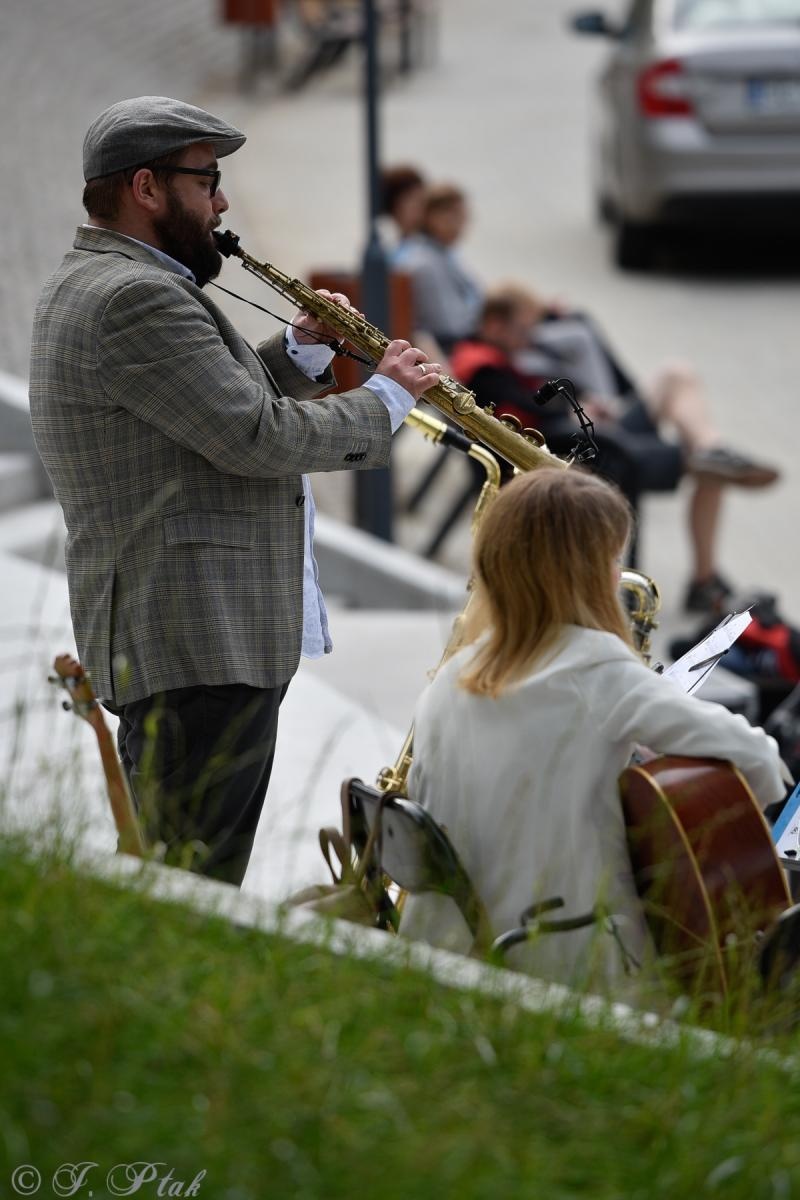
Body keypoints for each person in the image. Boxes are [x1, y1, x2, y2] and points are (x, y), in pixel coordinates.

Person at [29, 96, 441, 886]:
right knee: (194, 887)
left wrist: (300, 352)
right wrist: (388, 399)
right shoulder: (135, 296)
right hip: (195, 641)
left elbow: (203, 409)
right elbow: (255, 437)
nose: (221, 204)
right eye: (208, 181)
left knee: (182, 876)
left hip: (189, 640)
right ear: (146, 187)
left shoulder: (110, 282)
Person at [399, 468, 787, 990]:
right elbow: (760, 761)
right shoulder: (596, 669)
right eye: (612, 559)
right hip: (567, 970)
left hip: (443, 959)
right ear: (588, 573)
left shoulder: (450, 678)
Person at [449, 284, 780, 612]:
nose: (530, 339)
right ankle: (704, 579)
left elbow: (577, 381)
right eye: (524, 330)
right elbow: (523, 417)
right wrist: (574, 414)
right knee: (710, 471)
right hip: (585, 458)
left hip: (593, 436)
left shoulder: (505, 352)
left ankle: (712, 448)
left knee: (675, 375)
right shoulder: (481, 367)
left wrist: (584, 405)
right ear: (495, 325)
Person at [394, 183, 483, 354]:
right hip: (447, 350)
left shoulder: (444, 253)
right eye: (453, 216)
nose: (461, 224)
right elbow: (448, 325)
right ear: (431, 217)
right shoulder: (423, 263)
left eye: (463, 217)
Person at [379, 164, 427, 262]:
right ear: (395, 205)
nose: (422, 206)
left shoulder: (435, 246)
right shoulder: (390, 251)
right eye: (414, 200)